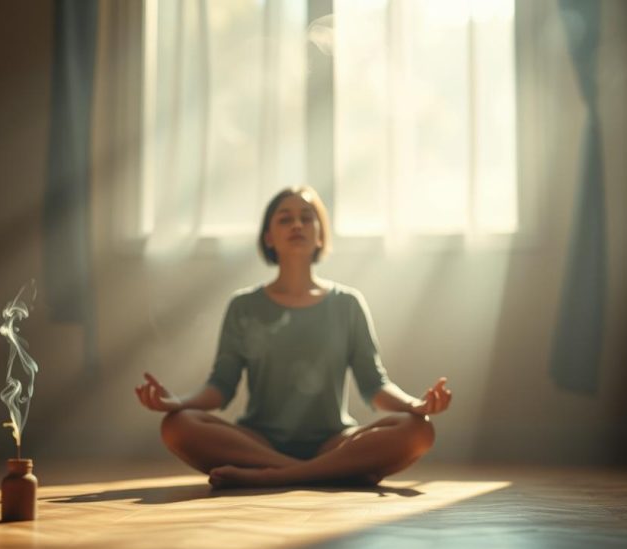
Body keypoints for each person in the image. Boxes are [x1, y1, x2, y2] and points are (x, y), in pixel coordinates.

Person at [134, 185, 451, 488]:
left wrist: (416, 404)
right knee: (177, 425)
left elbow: (374, 385)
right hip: (258, 442)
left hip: (333, 441)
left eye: (306, 217)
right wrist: (177, 402)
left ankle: (275, 475)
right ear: (269, 237)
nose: (297, 224)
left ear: (320, 235)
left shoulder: (347, 303)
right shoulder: (244, 306)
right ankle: (322, 473)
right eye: (285, 219)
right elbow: (221, 386)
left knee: (418, 430)